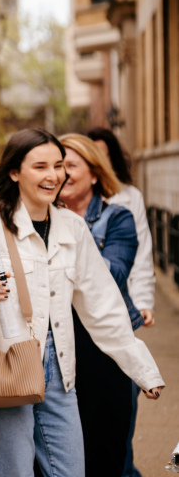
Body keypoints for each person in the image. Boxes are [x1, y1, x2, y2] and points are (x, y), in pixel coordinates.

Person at [0, 128, 164, 477]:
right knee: (15, 471)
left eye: (59, 165)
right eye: (40, 166)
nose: (53, 175)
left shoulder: (72, 228)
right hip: (6, 365)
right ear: (15, 172)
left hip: (60, 369)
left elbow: (102, 304)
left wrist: (142, 370)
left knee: (71, 470)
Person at [59, 133, 144, 477]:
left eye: (69, 165)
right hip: (59, 350)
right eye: (53, 165)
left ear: (94, 173)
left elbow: (115, 274)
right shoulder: (39, 219)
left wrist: (71, 234)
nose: (59, 173)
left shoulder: (118, 218)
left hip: (105, 351)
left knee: (108, 450)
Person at [86, 127, 156, 477]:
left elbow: (139, 256)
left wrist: (144, 301)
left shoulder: (126, 201)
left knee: (116, 426)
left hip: (117, 313)